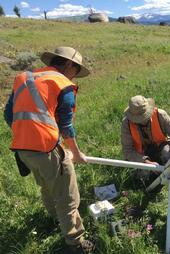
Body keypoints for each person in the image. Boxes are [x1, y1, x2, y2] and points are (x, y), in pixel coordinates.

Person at [4, 46, 94, 253]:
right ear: (69, 64)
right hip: (45, 148)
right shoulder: (63, 84)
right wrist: (77, 154)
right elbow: (66, 126)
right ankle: (76, 243)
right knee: (67, 196)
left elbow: (9, 115)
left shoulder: (24, 78)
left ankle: (56, 220)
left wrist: (27, 133)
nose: (76, 75)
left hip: (21, 148)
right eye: (76, 69)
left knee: (46, 185)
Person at [121, 95, 170, 183]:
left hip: (160, 146)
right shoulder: (126, 124)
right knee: (142, 175)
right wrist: (146, 162)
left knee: (168, 155)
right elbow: (127, 151)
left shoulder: (160, 115)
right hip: (140, 154)